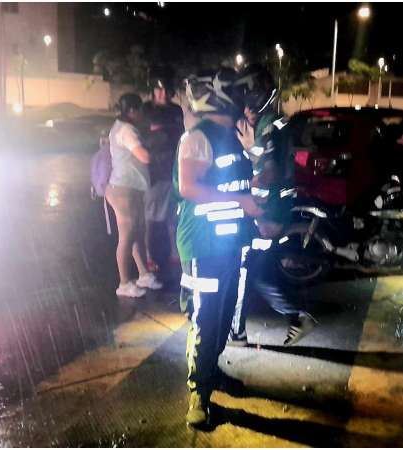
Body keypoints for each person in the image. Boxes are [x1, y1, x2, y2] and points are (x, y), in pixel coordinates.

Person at [174, 68, 263, 427]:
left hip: (229, 242)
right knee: (205, 318)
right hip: (203, 243)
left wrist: (257, 169)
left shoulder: (232, 136)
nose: (248, 102)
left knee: (223, 316)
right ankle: (199, 391)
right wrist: (243, 199)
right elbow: (188, 187)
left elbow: (238, 181)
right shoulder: (198, 137)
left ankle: (212, 370)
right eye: (243, 95)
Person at [229, 64, 317, 348]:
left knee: (248, 268)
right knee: (258, 270)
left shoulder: (268, 123)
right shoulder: (274, 119)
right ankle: (296, 317)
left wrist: (247, 182)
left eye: (246, 93)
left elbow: (270, 170)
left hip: (268, 209)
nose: (244, 105)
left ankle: (238, 332)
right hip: (275, 206)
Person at [106, 93, 162, 297]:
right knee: (127, 235)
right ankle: (124, 283)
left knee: (138, 230)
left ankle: (143, 274)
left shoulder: (120, 127)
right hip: (123, 189)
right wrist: (157, 147)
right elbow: (144, 156)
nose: (142, 113)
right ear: (132, 111)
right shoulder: (126, 130)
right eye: (139, 109)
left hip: (131, 188)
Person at [141, 67, 185, 276]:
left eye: (166, 90)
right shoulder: (145, 111)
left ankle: (175, 252)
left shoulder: (176, 111)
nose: (163, 94)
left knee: (173, 216)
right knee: (151, 217)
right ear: (152, 90)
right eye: (159, 90)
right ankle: (149, 256)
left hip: (175, 171)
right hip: (154, 173)